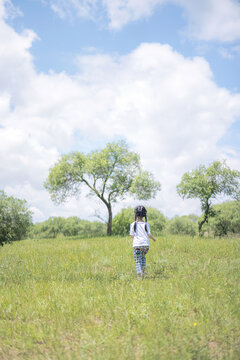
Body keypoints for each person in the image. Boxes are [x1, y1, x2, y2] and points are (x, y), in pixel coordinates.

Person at [130, 205, 157, 279]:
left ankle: (140, 275)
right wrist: (153, 239)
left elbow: (131, 235)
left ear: (135, 214)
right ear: (144, 215)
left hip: (137, 246)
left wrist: (136, 238)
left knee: (137, 260)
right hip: (146, 246)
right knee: (143, 258)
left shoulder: (133, 224)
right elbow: (149, 234)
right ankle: (143, 274)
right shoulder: (146, 224)